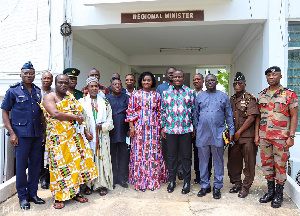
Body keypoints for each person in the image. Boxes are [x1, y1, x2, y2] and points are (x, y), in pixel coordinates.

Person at [41, 74, 98, 209]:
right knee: (59, 170)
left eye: (66, 83)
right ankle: (59, 197)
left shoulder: (70, 97)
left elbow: (79, 119)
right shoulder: (50, 97)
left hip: (74, 139)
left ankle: (75, 193)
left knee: (75, 168)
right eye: (60, 82)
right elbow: (55, 113)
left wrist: (85, 132)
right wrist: (74, 117)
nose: (63, 85)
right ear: (55, 83)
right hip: (58, 140)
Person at [1, 61, 45, 210]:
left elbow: (41, 114)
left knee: (35, 165)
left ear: (34, 75)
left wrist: (44, 131)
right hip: (21, 135)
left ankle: (33, 194)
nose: (29, 75)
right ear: (21, 74)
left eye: (31, 73)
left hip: (36, 134)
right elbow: (5, 112)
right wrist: (12, 133)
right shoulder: (13, 91)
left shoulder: (38, 91)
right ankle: (22, 197)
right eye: (26, 73)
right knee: (21, 166)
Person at [255, 66, 298, 208]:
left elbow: (294, 116)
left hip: (281, 137)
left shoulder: (289, 94)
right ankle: (271, 192)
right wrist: (257, 135)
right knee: (267, 165)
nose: (271, 77)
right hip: (264, 137)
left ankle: (279, 195)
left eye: (274, 74)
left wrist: (291, 136)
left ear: (280, 76)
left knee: (280, 166)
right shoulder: (261, 95)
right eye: (268, 75)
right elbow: (259, 117)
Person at [195, 74, 234, 199]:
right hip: (202, 134)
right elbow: (195, 115)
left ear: (216, 82)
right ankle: (205, 185)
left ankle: (217, 186)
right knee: (203, 161)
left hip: (218, 134)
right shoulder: (199, 96)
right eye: (207, 81)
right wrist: (197, 129)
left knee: (218, 161)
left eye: (212, 80)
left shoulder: (223, 96)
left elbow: (229, 115)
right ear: (204, 83)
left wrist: (231, 131)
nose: (210, 82)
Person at [126, 71, 167, 191]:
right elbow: (130, 111)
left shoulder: (157, 95)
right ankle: (140, 182)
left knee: (152, 154)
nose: (146, 82)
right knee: (139, 154)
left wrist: (161, 128)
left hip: (154, 128)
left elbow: (160, 113)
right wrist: (131, 127)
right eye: (144, 80)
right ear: (141, 82)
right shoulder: (135, 94)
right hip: (139, 128)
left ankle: (152, 180)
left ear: (152, 82)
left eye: (149, 80)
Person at [161, 70, 195, 194]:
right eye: (175, 77)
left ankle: (186, 182)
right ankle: (172, 181)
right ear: (172, 78)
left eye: (179, 77)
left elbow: (193, 111)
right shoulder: (166, 93)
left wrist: (194, 127)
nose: (177, 79)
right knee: (171, 157)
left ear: (183, 78)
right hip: (170, 130)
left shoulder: (190, 92)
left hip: (185, 129)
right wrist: (163, 127)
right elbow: (163, 111)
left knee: (186, 157)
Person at [79, 77, 114, 196]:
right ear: (87, 88)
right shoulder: (81, 102)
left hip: (102, 136)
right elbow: (78, 120)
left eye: (96, 86)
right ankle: (88, 185)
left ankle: (101, 184)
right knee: (88, 159)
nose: (94, 88)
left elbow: (110, 122)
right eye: (91, 86)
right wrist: (84, 131)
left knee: (101, 159)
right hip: (87, 136)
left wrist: (103, 126)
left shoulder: (105, 103)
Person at [228, 72, 259, 198]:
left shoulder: (249, 98)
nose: (237, 85)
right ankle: (237, 183)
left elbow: (251, 117)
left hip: (247, 137)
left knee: (249, 163)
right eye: (235, 83)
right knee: (234, 162)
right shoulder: (232, 99)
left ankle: (246, 187)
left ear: (244, 84)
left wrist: (239, 132)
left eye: (240, 83)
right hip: (234, 138)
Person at [157, 67, 184, 181]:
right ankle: (168, 170)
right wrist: (162, 126)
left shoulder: (183, 89)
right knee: (168, 150)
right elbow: (160, 107)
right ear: (166, 75)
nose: (172, 75)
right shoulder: (161, 88)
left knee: (180, 150)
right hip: (168, 125)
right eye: (169, 73)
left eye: (174, 73)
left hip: (181, 126)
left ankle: (180, 170)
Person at [106, 79, 130, 188]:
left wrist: (130, 128)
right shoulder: (106, 99)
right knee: (112, 155)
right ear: (111, 86)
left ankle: (122, 178)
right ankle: (113, 178)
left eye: (120, 85)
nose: (117, 86)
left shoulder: (127, 98)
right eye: (115, 84)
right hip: (111, 132)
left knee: (123, 156)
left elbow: (130, 113)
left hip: (124, 131)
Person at [192, 73, 212, 185]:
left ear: (203, 81)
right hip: (190, 128)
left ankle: (207, 175)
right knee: (195, 153)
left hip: (203, 129)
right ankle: (198, 175)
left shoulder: (207, 94)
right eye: (194, 79)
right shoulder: (189, 93)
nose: (196, 81)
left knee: (205, 154)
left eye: (198, 79)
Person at [39, 71, 55, 189]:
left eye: (49, 78)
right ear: (41, 79)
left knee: (51, 154)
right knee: (41, 154)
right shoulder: (37, 92)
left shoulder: (55, 93)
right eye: (44, 78)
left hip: (53, 127)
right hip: (40, 128)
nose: (46, 80)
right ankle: (43, 178)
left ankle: (51, 177)